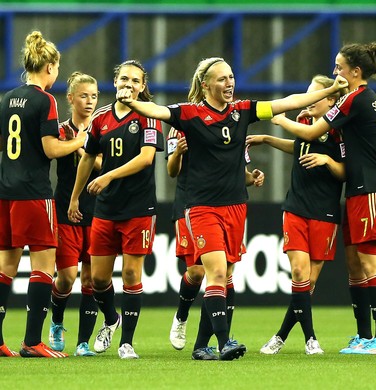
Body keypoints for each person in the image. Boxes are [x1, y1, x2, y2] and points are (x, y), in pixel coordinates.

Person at [116, 57, 347, 360]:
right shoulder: (189, 114)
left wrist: (329, 90)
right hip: (201, 207)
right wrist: (132, 102)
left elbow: (288, 101)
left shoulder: (243, 111)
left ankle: (201, 346)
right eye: (222, 79)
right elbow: (157, 111)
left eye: (231, 77)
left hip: (236, 206)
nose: (229, 83)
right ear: (205, 85)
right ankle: (225, 341)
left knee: (225, 276)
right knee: (214, 271)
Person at [269, 42, 376, 355]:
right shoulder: (360, 100)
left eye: (339, 68)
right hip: (357, 189)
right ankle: (364, 336)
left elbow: (312, 136)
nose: (335, 73)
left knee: (370, 262)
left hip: (371, 189)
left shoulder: (354, 97)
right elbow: (321, 138)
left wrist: (281, 119)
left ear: (355, 72)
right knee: (355, 265)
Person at [68, 60, 164, 360]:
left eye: (136, 80)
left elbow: (147, 158)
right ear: (115, 82)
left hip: (139, 206)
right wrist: (74, 198)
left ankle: (127, 342)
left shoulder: (149, 116)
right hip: (107, 208)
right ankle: (112, 319)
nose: (130, 84)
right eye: (124, 79)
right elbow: (88, 158)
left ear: (143, 86)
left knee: (132, 274)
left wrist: (108, 175)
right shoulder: (100, 119)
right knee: (97, 279)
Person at [0, 31, 86, 358]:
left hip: (5, 191)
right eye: (57, 67)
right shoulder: (45, 100)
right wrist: (80, 141)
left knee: (5, 266)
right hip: (34, 193)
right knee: (43, 265)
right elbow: (51, 150)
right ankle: (32, 342)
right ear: (49, 66)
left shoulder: (8, 98)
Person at [249, 75, 345, 355]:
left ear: (330, 99)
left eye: (316, 94)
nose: (310, 99)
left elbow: (346, 172)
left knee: (309, 283)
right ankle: (311, 338)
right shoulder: (304, 124)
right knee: (300, 273)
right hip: (296, 207)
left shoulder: (340, 130)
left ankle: (280, 336)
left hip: (326, 211)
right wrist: (268, 138)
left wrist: (328, 160)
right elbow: (300, 147)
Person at [167, 125, 264, 351]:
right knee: (197, 272)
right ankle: (182, 316)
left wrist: (253, 178)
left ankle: (215, 342)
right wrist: (178, 153)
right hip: (191, 205)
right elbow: (172, 171)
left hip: (228, 206)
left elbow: (240, 174)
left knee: (225, 272)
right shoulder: (181, 127)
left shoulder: (235, 127)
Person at [48, 72, 101, 357]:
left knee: (90, 279)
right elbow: (52, 153)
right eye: (83, 96)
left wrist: (84, 149)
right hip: (66, 210)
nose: (89, 101)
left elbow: (103, 165)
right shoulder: (60, 130)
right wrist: (75, 144)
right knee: (67, 277)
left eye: (93, 96)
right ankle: (56, 322)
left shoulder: (101, 129)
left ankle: (83, 342)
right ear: (70, 99)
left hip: (96, 211)